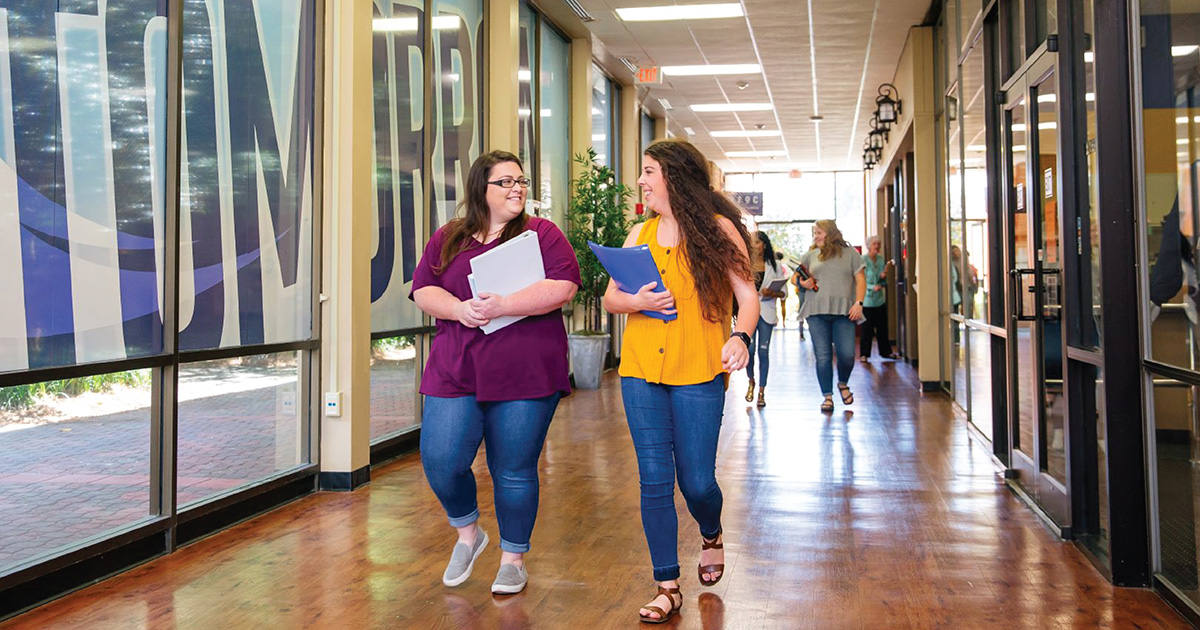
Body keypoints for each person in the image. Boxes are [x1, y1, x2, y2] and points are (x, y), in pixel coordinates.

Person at [409, 150, 581, 595]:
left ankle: (513, 558)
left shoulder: (542, 234)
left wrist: (505, 305)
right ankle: (469, 533)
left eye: (520, 181)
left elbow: (563, 286)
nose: (517, 188)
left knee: (514, 468)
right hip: (456, 366)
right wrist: (459, 309)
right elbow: (423, 289)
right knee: (442, 461)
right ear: (480, 189)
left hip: (525, 370)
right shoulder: (449, 237)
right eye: (505, 182)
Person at [602, 139, 759, 624]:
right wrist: (638, 302)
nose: (642, 181)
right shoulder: (638, 234)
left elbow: (747, 297)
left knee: (696, 481)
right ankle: (667, 586)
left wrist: (741, 338)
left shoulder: (718, 231)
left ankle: (710, 530)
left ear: (674, 176)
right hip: (642, 371)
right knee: (653, 481)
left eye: (649, 171)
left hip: (698, 371)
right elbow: (611, 299)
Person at [796, 220, 867, 413]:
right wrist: (804, 284)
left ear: (830, 233)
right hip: (816, 311)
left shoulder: (850, 254)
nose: (816, 236)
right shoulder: (811, 255)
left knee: (847, 355)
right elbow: (797, 278)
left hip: (844, 311)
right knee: (823, 356)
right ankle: (827, 396)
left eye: (819, 232)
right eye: (814, 233)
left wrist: (858, 303)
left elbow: (860, 280)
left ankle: (843, 383)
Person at [745, 233, 790, 407]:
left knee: (763, 352)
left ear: (763, 245)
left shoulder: (775, 265)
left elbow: (784, 292)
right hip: (749, 312)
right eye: (751, 242)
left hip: (767, 312)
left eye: (756, 242)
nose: (754, 245)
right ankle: (751, 381)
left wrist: (773, 293)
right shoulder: (744, 264)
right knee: (749, 351)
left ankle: (762, 391)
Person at [859, 236, 898, 361]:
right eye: (875, 244)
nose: (877, 246)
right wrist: (871, 287)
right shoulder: (862, 260)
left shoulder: (881, 260)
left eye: (878, 244)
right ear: (869, 246)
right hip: (867, 301)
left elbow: (884, 281)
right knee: (867, 329)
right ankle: (864, 354)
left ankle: (886, 352)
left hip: (880, 300)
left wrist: (883, 278)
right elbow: (861, 280)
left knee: (882, 327)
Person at [775, 251, 789, 325]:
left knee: (774, 303)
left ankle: (776, 320)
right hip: (783, 284)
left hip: (775, 284)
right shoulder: (783, 266)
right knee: (783, 305)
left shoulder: (775, 264)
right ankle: (783, 321)